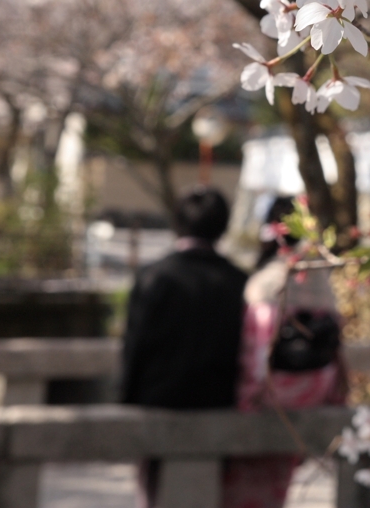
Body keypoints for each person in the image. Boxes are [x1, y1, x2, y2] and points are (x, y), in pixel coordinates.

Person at [120, 187, 247, 507]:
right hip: (219, 402)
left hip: (159, 401)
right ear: (223, 226)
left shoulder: (154, 276)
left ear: (178, 222)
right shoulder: (238, 281)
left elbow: (135, 346)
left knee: (154, 493)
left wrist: (127, 401)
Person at [222, 196, 346, 508]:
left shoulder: (265, 283)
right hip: (315, 389)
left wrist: (248, 400)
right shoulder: (318, 274)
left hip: (271, 393)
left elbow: (256, 354)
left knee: (247, 486)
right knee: (278, 481)